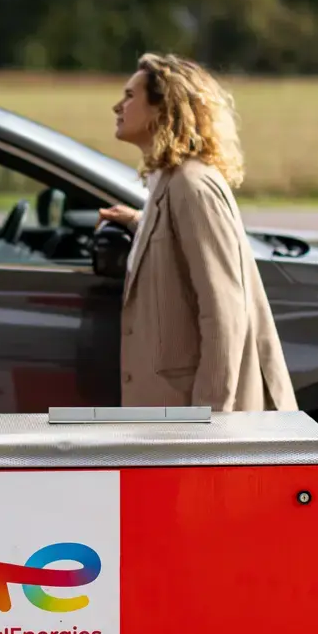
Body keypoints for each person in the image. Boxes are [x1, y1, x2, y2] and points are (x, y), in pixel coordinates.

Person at [99, 52, 295, 412]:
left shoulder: (192, 186)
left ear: (163, 109)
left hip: (195, 421)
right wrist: (139, 223)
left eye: (129, 96)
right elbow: (181, 250)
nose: (117, 106)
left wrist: (208, 425)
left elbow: (224, 314)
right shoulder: (169, 183)